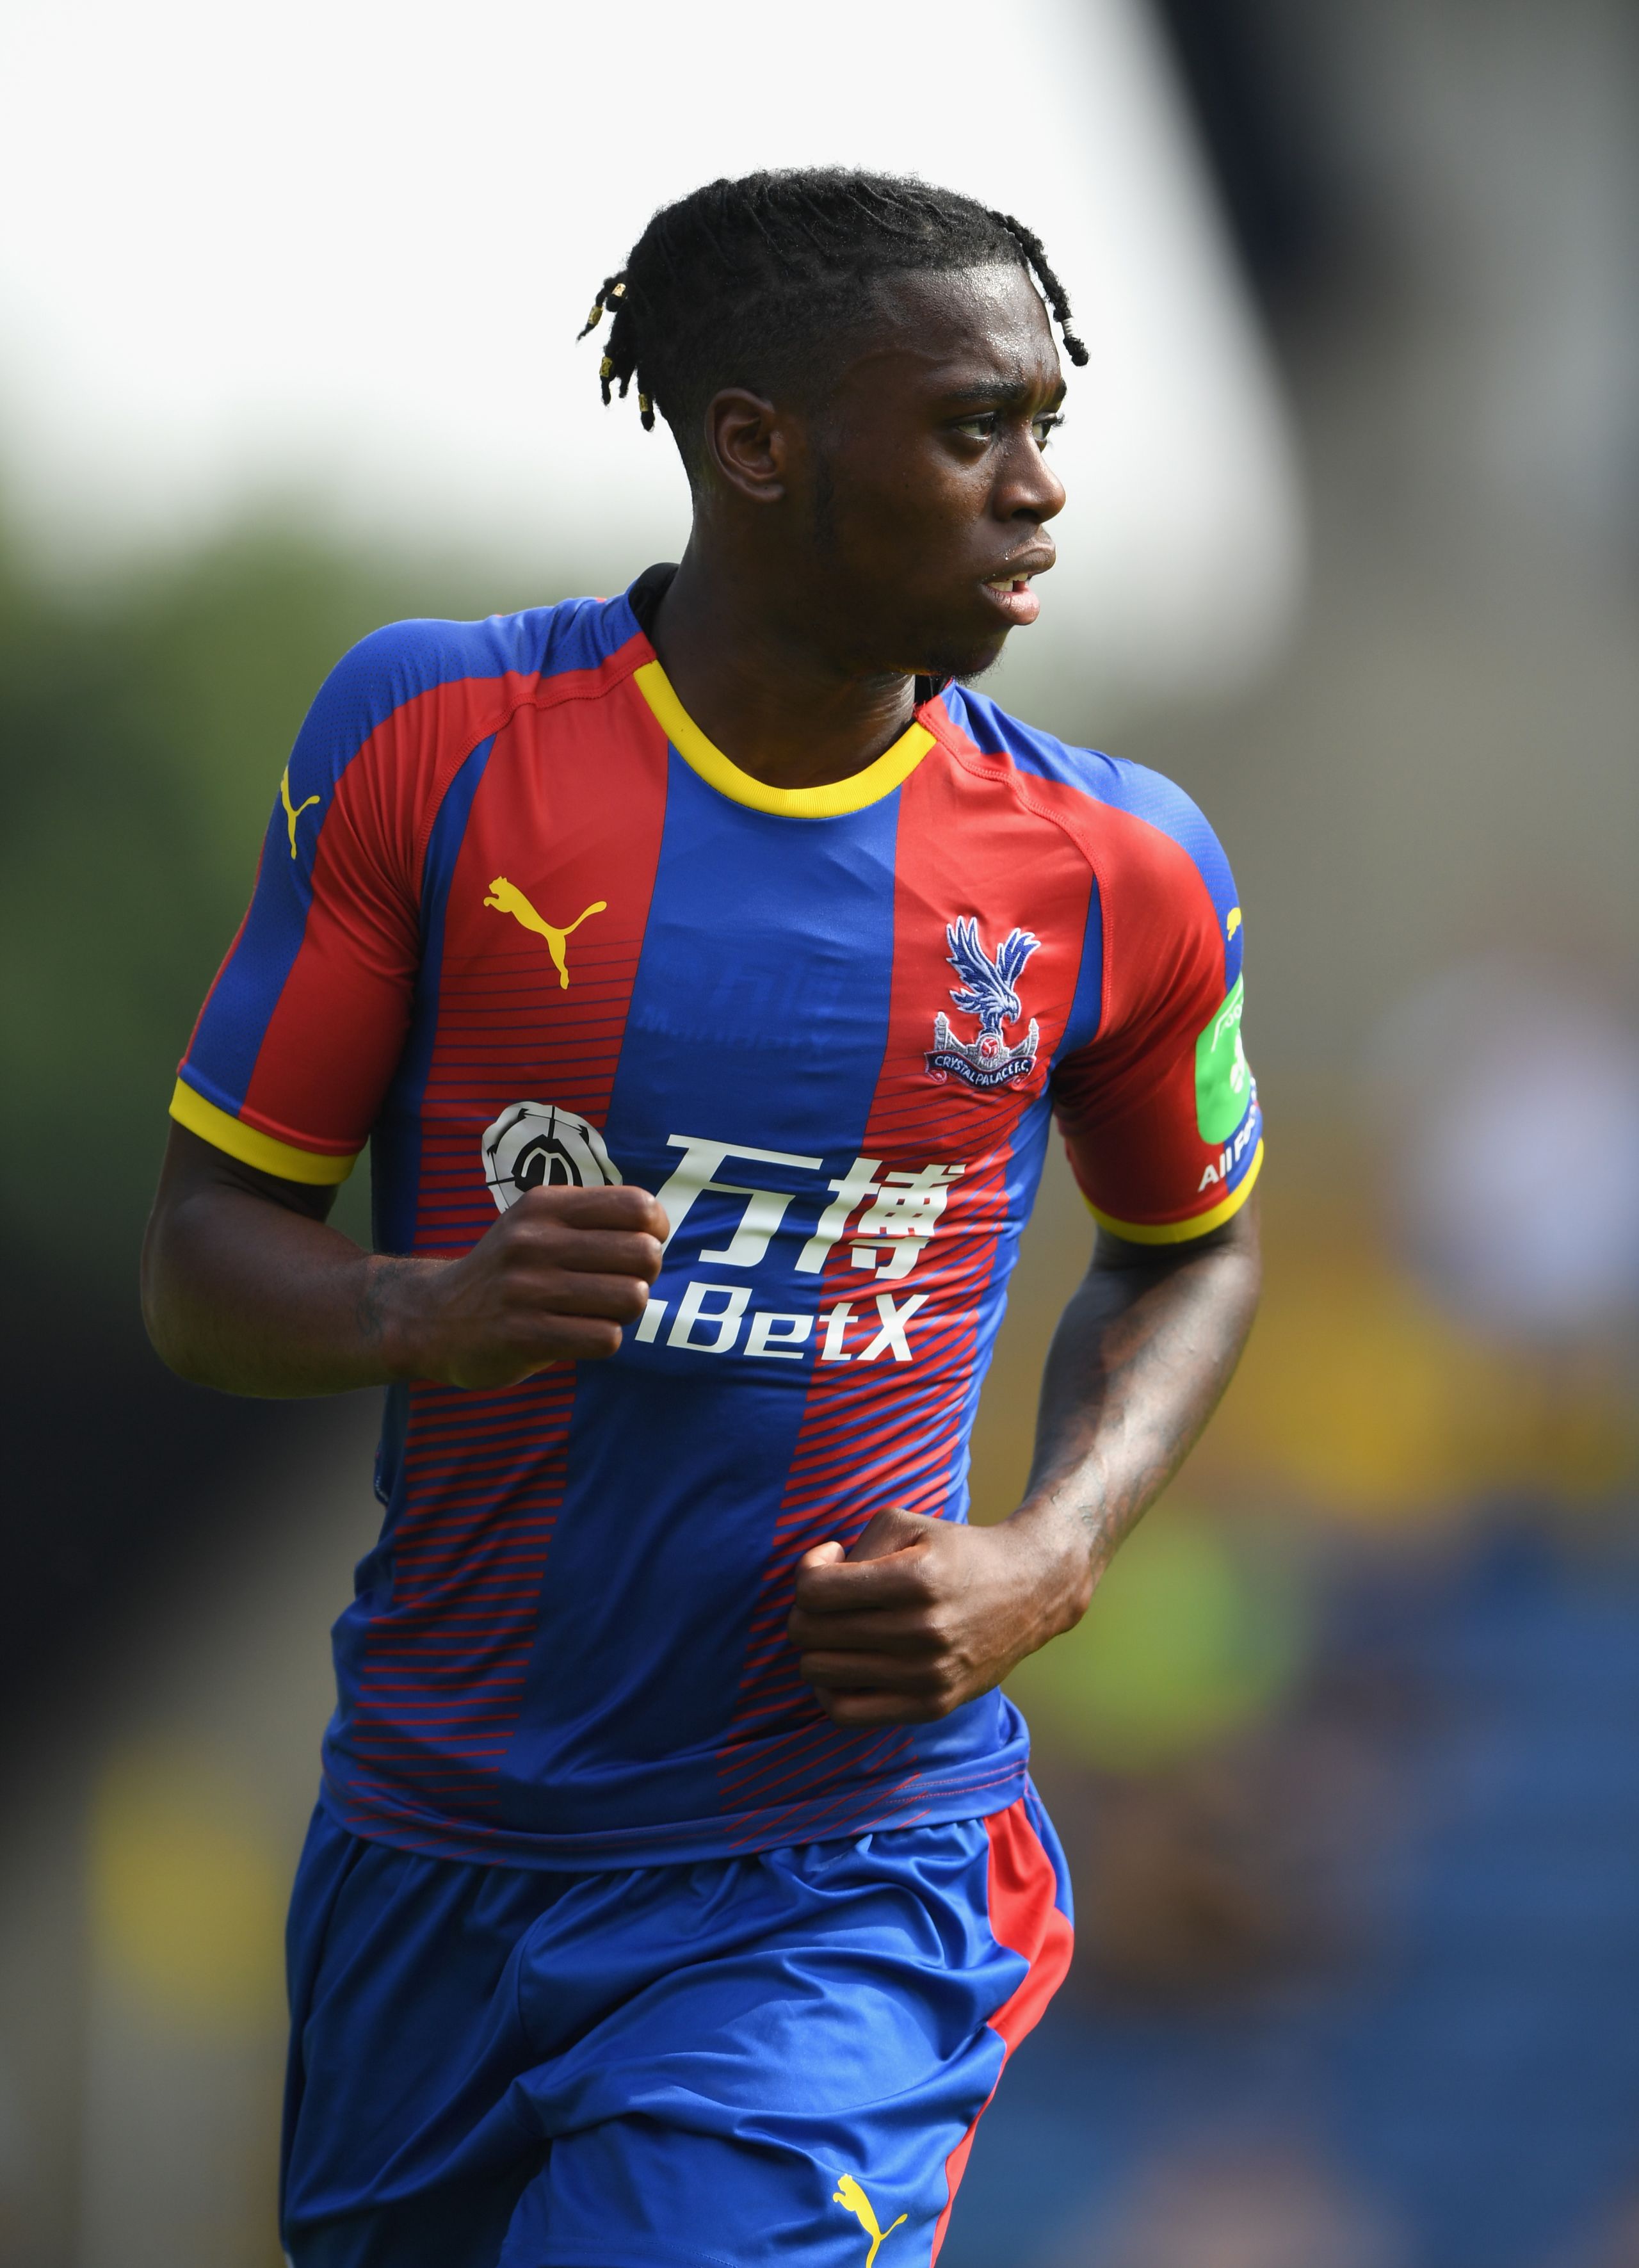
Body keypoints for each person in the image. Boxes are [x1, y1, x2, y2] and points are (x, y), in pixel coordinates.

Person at [142, 168, 1263, 2268]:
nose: (1037, 490)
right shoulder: (438, 743)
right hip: (431, 1844)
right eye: (969, 430)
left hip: (832, 1868)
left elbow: (1195, 1240)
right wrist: (424, 1306)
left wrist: (1056, 1546)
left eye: (1049, 428)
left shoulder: (1116, 862)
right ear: (755, 442)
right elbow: (204, 1262)